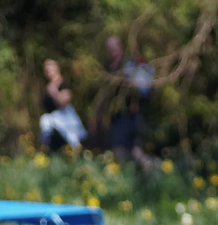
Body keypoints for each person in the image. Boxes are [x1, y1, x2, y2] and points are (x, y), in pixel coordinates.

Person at [100, 35, 155, 164]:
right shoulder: (108, 67)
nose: (112, 51)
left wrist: (130, 85)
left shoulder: (130, 63)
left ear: (119, 47)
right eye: (110, 49)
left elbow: (145, 86)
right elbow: (105, 93)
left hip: (132, 114)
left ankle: (150, 169)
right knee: (119, 150)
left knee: (136, 149)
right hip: (117, 116)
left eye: (114, 47)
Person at [39, 58, 87, 152]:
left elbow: (64, 103)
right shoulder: (48, 86)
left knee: (72, 140)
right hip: (52, 119)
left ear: (57, 68)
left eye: (50, 68)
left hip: (64, 117)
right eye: (46, 69)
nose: (48, 71)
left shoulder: (63, 84)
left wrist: (54, 92)